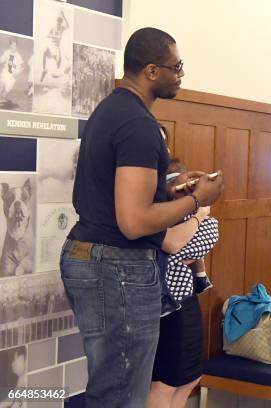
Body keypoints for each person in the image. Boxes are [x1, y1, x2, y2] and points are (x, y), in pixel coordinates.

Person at [59, 27, 224, 408]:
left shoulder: (113, 110)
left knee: (113, 386)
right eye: (176, 66)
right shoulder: (138, 125)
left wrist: (171, 188)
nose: (181, 74)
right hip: (116, 265)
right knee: (122, 395)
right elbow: (133, 221)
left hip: (96, 257)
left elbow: (116, 195)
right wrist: (197, 200)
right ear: (151, 71)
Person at [148, 159, 219, 408]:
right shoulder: (161, 211)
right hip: (166, 304)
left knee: (188, 378)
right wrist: (199, 214)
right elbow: (176, 246)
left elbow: (205, 240)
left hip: (184, 297)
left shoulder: (183, 214)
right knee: (166, 381)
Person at [0, 39, 24, 104]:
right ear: (10, 45)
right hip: (5, 72)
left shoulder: (18, 56)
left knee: (6, 90)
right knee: (1, 85)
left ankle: (2, 99)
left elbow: (22, 67)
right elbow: (1, 60)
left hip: (13, 76)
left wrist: (17, 74)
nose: (14, 46)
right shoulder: (6, 52)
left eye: (15, 45)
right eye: (12, 45)